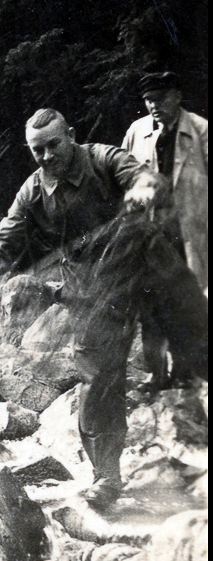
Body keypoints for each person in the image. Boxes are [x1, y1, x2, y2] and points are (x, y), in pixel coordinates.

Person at [0, 108, 207, 509]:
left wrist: (144, 188)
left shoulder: (103, 158)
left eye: (53, 145)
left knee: (200, 343)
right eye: (36, 150)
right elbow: (4, 236)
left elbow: (144, 177)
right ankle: (106, 478)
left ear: (72, 136)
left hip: (150, 269)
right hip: (94, 292)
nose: (45, 156)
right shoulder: (32, 191)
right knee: (96, 382)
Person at [122, 71, 208, 390]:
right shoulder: (137, 132)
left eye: (159, 98)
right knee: (150, 304)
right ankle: (155, 373)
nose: (153, 105)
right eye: (148, 100)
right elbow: (123, 177)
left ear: (176, 96)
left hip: (188, 233)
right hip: (149, 234)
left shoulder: (200, 131)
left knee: (186, 303)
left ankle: (186, 371)